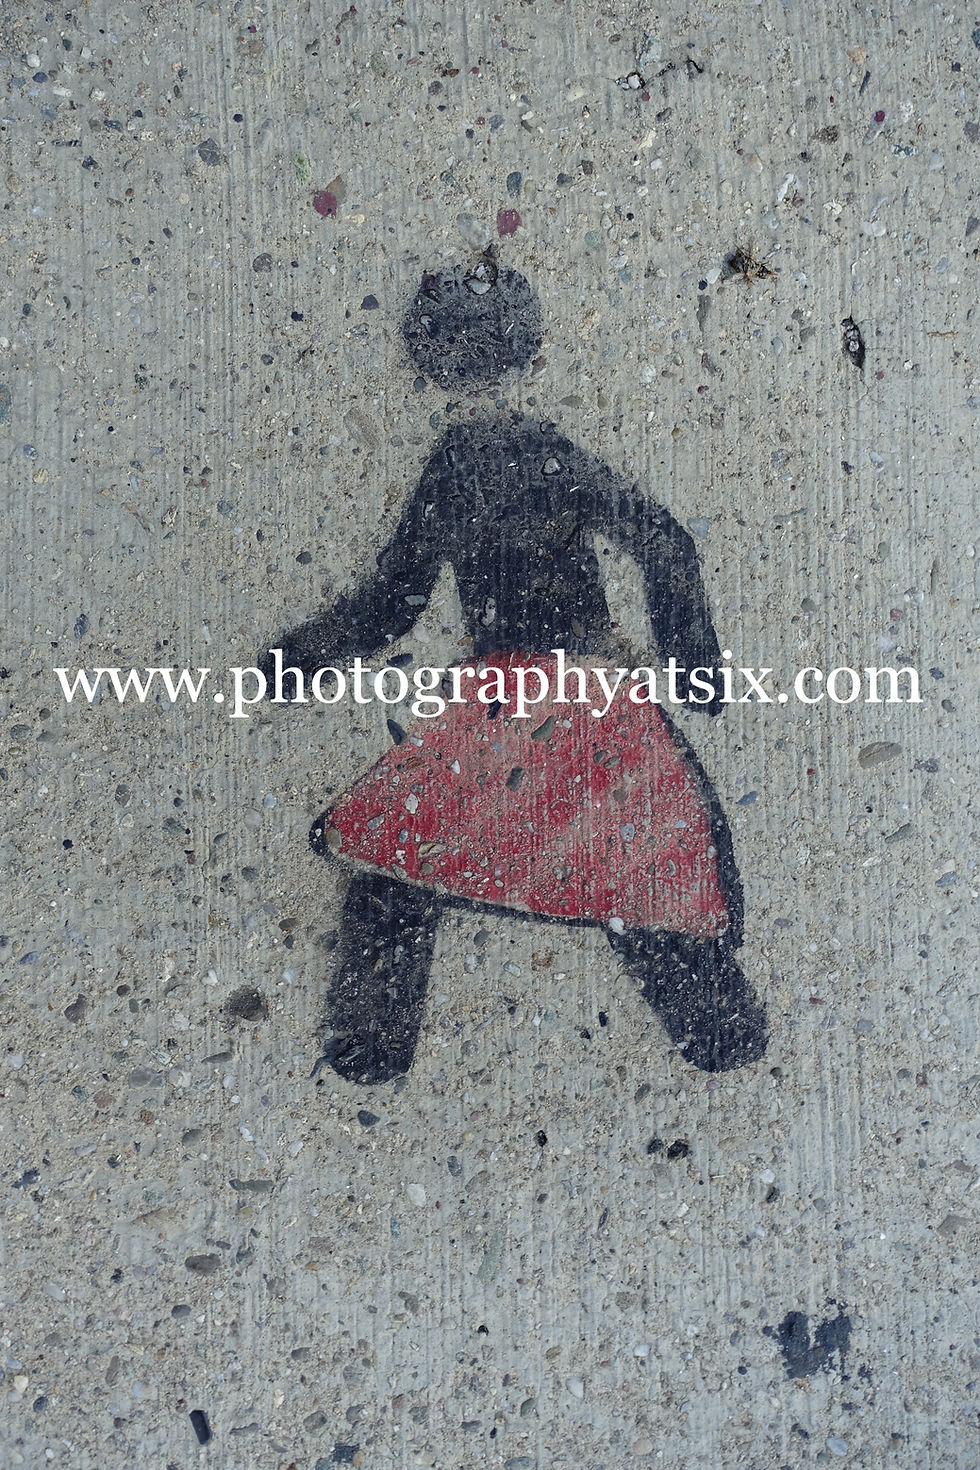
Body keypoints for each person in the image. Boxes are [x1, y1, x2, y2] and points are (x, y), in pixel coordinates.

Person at [262, 261, 767, 1084]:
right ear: (527, 352)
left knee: (400, 861)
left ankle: (371, 1040)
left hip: (499, 709)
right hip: (592, 700)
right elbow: (666, 541)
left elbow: (392, 602)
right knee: (637, 867)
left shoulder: (455, 464)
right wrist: (694, 667)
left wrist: (297, 661)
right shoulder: (551, 452)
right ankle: (715, 1023)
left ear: (429, 363)